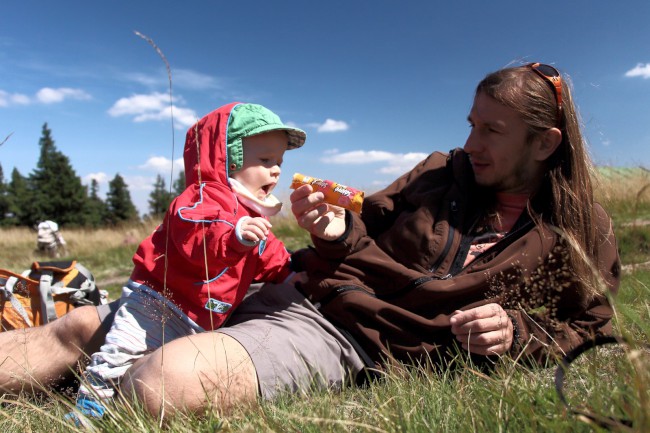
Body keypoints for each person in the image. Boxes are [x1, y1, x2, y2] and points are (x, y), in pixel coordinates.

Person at [0, 63, 620, 421]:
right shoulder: (439, 172)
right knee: (81, 326)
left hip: (340, 330)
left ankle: (100, 389)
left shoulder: (579, 229)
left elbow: (594, 330)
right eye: (470, 124)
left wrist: (519, 331)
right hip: (281, 282)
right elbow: (360, 230)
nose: (471, 143)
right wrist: (332, 232)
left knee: (157, 386)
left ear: (544, 143)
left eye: (492, 131)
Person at [65, 102, 306, 424]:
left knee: (158, 364)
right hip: (159, 302)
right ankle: (88, 410)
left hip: (200, 314)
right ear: (228, 159)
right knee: (121, 352)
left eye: (279, 161)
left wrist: (292, 275)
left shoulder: (251, 213)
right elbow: (197, 239)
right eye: (264, 160)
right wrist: (235, 238)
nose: (275, 170)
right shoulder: (202, 197)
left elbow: (269, 255)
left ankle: (124, 401)